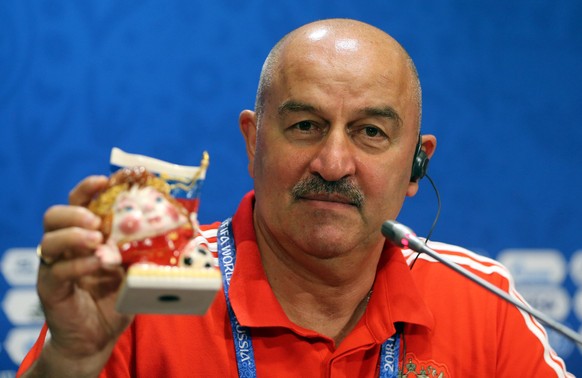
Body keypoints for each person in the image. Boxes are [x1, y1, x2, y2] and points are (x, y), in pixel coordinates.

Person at [17, 18, 572, 377]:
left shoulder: (485, 303)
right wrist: (69, 360)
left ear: (416, 163)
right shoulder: (146, 288)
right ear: (253, 141)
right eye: (305, 125)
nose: (332, 163)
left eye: (370, 133)